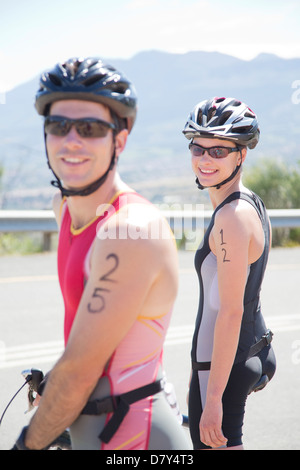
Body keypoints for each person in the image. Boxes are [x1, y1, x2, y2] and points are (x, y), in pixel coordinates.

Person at [13, 57, 190, 450]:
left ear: (119, 141)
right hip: (89, 428)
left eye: (90, 128)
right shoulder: (65, 209)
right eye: (58, 126)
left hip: (135, 438)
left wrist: (28, 444)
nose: (71, 140)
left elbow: (79, 372)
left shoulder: (129, 230)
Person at [182, 97, 276, 450]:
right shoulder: (249, 200)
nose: (205, 160)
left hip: (223, 365)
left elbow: (230, 310)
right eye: (198, 148)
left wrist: (213, 400)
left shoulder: (231, 217)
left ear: (241, 154)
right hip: (252, 345)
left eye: (219, 151)